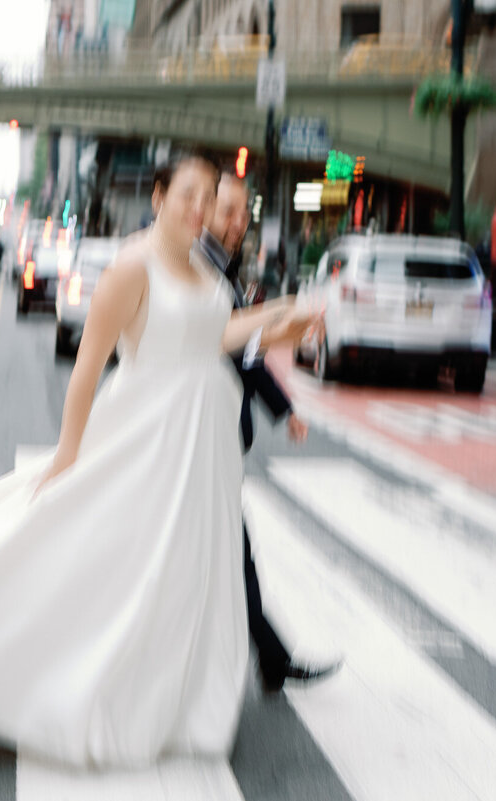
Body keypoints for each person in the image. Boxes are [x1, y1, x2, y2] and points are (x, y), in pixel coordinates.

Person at [0, 151, 320, 768]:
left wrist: (285, 318)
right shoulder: (133, 266)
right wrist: (69, 455)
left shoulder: (203, 270)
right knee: (93, 563)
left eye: (210, 198)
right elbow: (88, 367)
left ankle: (176, 698)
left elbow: (219, 333)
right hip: (146, 440)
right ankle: (35, 671)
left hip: (201, 449)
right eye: (189, 196)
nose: (201, 209)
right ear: (158, 198)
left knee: (182, 573)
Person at [199, 172, 341, 693]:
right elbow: (230, 341)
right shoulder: (198, 269)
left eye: (244, 213)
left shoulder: (219, 269)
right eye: (229, 211)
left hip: (214, 431)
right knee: (225, 550)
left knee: (230, 549)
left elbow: (244, 347)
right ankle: (268, 657)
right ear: (200, 211)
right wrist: (288, 318)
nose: (239, 223)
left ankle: (269, 656)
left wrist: (284, 408)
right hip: (193, 434)